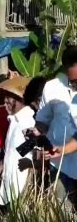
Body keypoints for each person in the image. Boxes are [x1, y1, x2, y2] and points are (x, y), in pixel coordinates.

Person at [32, 45, 77, 212]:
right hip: (60, 164)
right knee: (62, 213)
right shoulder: (51, 88)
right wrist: (35, 134)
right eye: (73, 82)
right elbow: (42, 121)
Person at [0, 76, 35, 210]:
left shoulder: (29, 120)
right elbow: (17, 149)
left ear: (22, 98)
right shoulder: (14, 120)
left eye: (10, 96)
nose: (5, 101)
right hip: (7, 183)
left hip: (20, 186)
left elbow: (34, 150)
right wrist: (3, 162)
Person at [17, 76, 50, 192]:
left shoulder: (61, 121)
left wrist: (31, 162)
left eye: (35, 107)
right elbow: (22, 151)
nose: (34, 113)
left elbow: (57, 154)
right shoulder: (41, 120)